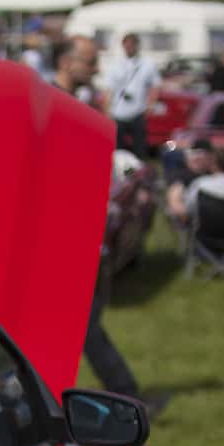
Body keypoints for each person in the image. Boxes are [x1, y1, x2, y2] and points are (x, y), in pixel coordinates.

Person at [52, 34, 158, 406]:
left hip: (88, 231)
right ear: (66, 62)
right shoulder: (51, 106)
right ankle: (123, 392)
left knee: (82, 323)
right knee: (82, 324)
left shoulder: (80, 105)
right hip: (64, 236)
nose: (96, 69)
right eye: (89, 61)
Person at [99, 33, 161, 157]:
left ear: (137, 45)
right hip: (118, 112)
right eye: (127, 44)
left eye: (133, 44)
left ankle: (139, 171)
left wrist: (151, 104)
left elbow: (155, 85)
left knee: (140, 149)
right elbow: (108, 90)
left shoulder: (147, 64)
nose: (130, 47)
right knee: (117, 149)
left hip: (138, 112)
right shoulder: (115, 65)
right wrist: (107, 110)